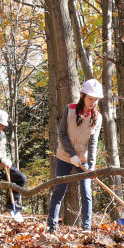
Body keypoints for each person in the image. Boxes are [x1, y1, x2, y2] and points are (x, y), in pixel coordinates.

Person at [47, 79, 103, 232]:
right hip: (65, 156)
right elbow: (62, 133)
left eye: (96, 99)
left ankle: (86, 228)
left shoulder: (97, 117)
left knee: (86, 192)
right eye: (90, 98)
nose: (93, 102)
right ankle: (52, 227)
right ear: (83, 95)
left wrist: (91, 165)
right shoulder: (69, 109)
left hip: (83, 160)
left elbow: (93, 142)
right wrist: (72, 154)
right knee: (59, 191)